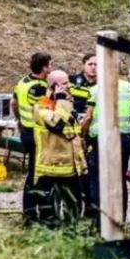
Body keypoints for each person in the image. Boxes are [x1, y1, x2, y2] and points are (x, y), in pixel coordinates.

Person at [31, 70, 87, 224]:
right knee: (48, 209)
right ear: (54, 87)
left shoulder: (66, 104)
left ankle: (71, 229)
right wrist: (62, 101)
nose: (69, 86)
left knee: (74, 205)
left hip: (70, 166)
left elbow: (73, 134)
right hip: (51, 167)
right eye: (64, 83)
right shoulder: (42, 106)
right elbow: (57, 124)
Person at [82, 72, 130, 224]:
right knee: (119, 179)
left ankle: (100, 221)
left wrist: (82, 135)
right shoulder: (128, 87)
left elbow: (88, 117)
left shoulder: (94, 90)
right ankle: (119, 218)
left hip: (101, 140)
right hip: (123, 138)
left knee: (98, 179)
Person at [11, 52, 51, 216]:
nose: (50, 68)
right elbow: (44, 111)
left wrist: (19, 120)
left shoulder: (23, 81)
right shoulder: (40, 88)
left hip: (26, 131)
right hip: (37, 134)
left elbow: (13, 103)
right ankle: (31, 211)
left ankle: (31, 210)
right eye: (49, 65)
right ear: (44, 67)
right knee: (36, 173)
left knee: (33, 171)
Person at [69, 53, 97, 119]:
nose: (93, 67)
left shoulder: (103, 85)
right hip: (76, 119)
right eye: (90, 64)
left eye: (96, 64)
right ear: (83, 65)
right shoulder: (72, 81)